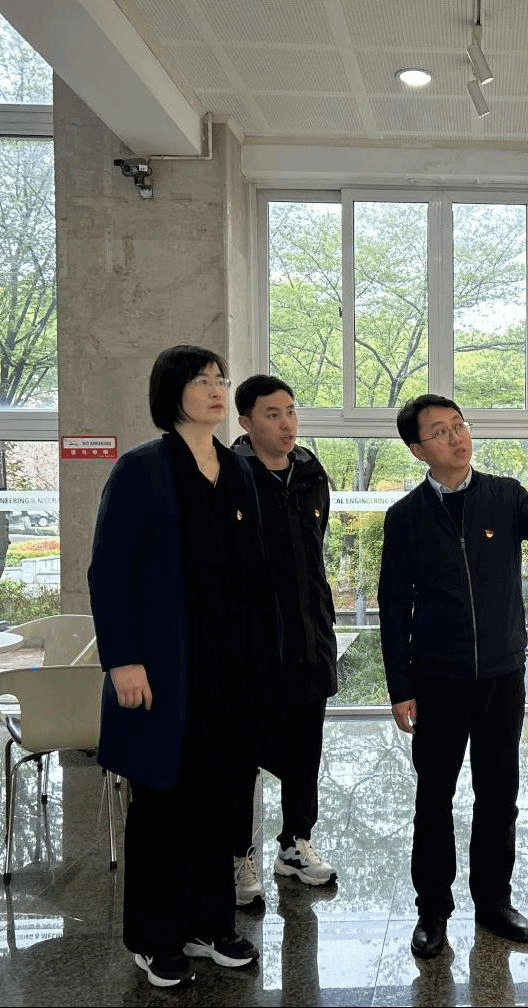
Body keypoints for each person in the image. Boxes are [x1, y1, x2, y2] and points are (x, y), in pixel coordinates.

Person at [88, 345, 272, 988]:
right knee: (164, 802)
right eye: (202, 381)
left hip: (229, 666)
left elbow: (255, 572)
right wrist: (124, 661)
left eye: (221, 379)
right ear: (172, 393)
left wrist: (264, 656)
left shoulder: (236, 468)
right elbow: (109, 572)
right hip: (163, 668)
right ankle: (154, 935)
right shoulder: (141, 469)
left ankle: (209, 924)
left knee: (221, 799)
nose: (217, 389)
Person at [378, 394, 528, 960]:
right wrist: (400, 688)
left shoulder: (505, 496)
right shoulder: (406, 517)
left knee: (498, 795)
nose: (456, 438)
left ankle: (493, 902)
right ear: (418, 450)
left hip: (500, 678)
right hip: (436, 680)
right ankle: (432, 910)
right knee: (434, 799)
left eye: (459, 425)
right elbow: (393, 608)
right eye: (440, 432)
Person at [229, 375, 339, 906]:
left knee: (305, 751)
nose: (286, 423)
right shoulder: (229, 476)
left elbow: (313, 552)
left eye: (291, 411)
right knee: (241, 754)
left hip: (309, 637)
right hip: (249, 645)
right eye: (272, 414)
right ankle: (236, 854)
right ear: (245, 422)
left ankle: (295, 843)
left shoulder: (312, 473)